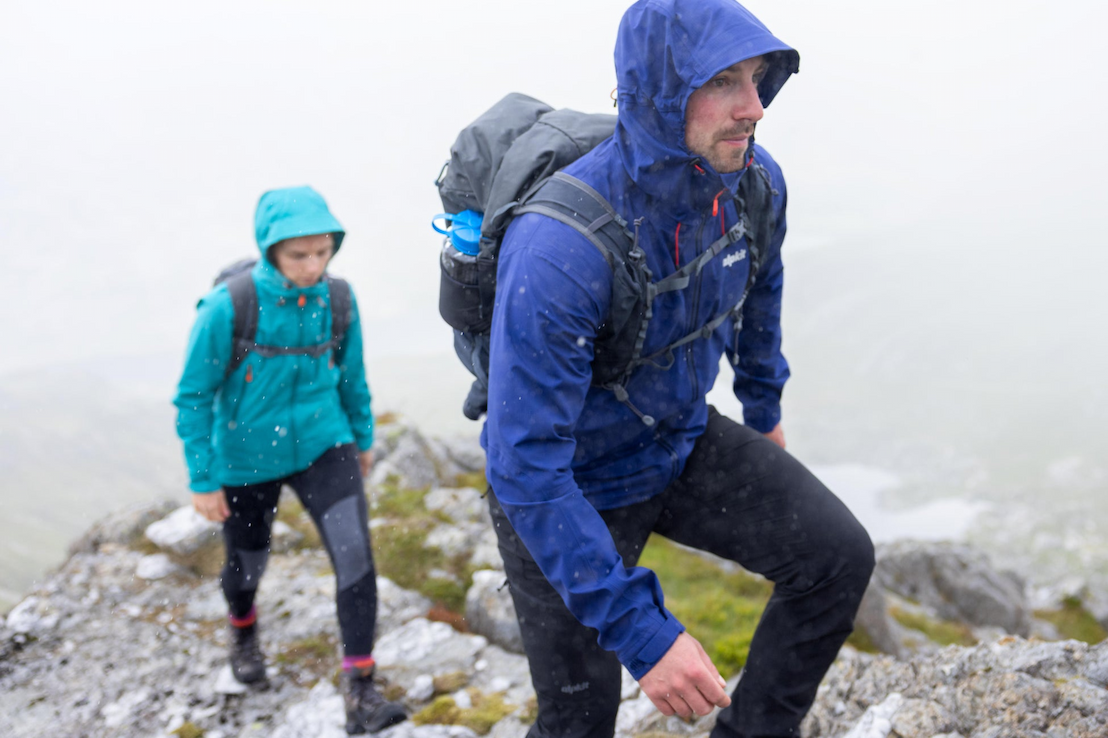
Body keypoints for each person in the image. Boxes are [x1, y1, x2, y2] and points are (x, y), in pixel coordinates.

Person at [482, 2, 875, 737]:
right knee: (578, 720)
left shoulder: (752, 184)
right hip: (570, 488)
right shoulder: (558, 249)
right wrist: (645, 635)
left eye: (757, 79)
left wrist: (764, 411)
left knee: (836, 558)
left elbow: (760, 288)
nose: (754, 106)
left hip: (678, 441)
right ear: (660, 91)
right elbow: (524, 465)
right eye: (723, 81)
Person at [173, 186, 406, 735]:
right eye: (299, 255)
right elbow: (193, 396)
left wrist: (362, 439)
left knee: (356, 558)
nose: (313, 266)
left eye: (323, 252)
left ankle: (361, 689)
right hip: (246, 457)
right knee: (247, 564)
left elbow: (353, 374)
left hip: (325, 443)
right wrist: (203, 478)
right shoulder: (227, 307)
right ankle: (243, 630)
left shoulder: (338, 298)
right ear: (270, 249)